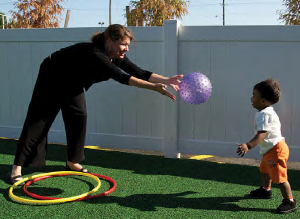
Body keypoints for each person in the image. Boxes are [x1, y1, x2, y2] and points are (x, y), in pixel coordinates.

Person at [10, 24, 183, 185]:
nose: (126, 49)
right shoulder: (96, 54)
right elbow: (123, 78)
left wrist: (167, 79)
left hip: (73, 82)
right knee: (39, 120)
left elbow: (139, 72)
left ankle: (72, 161)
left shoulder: (116, 56)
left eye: (128, 45)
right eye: (123, 44)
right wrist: (154, 88)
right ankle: (16, 168)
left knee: (79, 117)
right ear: (110, 41)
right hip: (53, 75)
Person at [236, 78, 297, 214]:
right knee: (265, 170)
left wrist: (248, 145)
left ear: (263, 101)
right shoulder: (264, 112)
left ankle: (290, 201)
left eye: (254, 96)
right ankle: (265, 190)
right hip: (271, 149)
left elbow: (262, 134)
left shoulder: (264, 114)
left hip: (276, 150)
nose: (251, 98)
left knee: (280, 177)